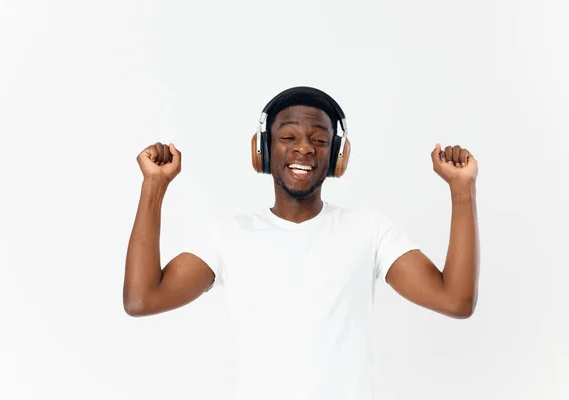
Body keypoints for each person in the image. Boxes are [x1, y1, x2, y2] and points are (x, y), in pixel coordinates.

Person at [123, 86, 480, 400]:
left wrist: (462, 191)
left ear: (337, 156)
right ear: (263, 149)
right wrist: (154, 186)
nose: (305, 148)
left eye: (320, 140)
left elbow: (455, 300)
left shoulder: (368, 230)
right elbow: (142, 299)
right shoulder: (229, 235)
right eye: (288, 137)